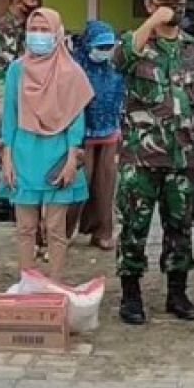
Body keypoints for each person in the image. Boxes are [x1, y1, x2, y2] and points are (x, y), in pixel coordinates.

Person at [113, 0, 194, 325]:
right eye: (165, 0)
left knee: (180, 226)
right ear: (149, 4)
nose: (173, 7)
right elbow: (118, 60)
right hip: (139, 158)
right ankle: (131, 295)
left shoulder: (193, 48)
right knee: (133, 226)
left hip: (180, 156)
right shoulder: (136, 43)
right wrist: (151, 23)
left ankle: (177, 293)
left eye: (178, 0)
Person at [0, 8, 93, 281]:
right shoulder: (17, 70)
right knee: (25, 227)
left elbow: (77, 119)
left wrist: (72, 160)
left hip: (58, 154)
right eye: (34, 29)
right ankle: (27, 279)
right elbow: (10, 115)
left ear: (58, 34)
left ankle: (55, 282)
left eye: (45, 30)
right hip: (23, 152)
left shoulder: (72, 72)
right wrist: (7, 156)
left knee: (55, 228)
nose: (38, 35)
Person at [66, 20, 125, 251]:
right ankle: (64, 231)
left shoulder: (115, 68)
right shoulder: (75, 67)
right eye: (100, 47)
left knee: (105, 185)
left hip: (110, 131)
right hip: (83, 133)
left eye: (109, 46)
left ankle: (103, 231)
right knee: (80, 183)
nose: (104, 51)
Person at [0, 0, 40, 224]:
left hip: (19, 94)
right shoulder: (6, 28)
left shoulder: (23, 26)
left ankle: (9, 198)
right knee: (7, 146)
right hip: (5, 94)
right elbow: (8, 67)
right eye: (32, 1)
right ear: (18, 2)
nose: (36, 5)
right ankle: (4, 202)